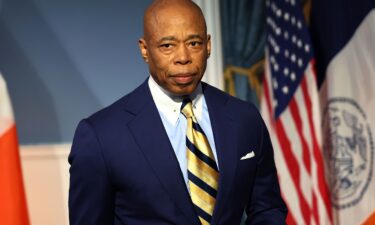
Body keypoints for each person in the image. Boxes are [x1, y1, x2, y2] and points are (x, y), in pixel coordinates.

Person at [68, 0, 288, 224]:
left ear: (208, 45)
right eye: (167, 46)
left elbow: (267, 208)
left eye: (194, 43)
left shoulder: (245, 118)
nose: (183, 57)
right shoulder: (101, 135)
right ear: (145, 49)